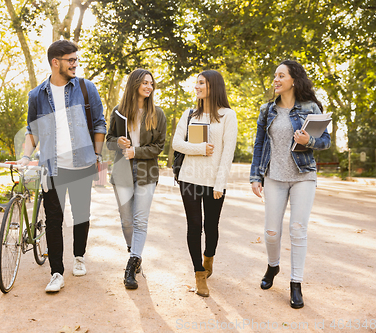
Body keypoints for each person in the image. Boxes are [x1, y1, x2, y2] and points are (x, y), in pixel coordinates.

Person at [18, 40, 106, 293]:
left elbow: (99, 124)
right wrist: (26, 156)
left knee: (81, 215)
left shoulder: (86, 88)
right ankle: (56, 272)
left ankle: (79, 255)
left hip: (82, 165)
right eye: (71, 60)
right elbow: (32, 131)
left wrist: (97, 156)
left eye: (76, 59)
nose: (75, 64)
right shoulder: (37, 95)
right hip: (52, 168)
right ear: (55, 62)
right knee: (54, 220)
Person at [249, 60, 331, 309]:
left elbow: (325, 141)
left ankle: (296, 284)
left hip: (303, 175)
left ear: (293, 80)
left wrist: (310, 141)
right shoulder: (267, 110)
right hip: (274, 176)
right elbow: (259, 144)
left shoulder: (311, 107)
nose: (275, 79)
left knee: (298, 229)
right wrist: (256, 176)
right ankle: (273, 266)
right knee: (271, 233)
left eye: (280, 75)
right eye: (275, 75)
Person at [172, 70, 237, 297]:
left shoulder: (228, 115)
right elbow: (176, 143)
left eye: (201, 83)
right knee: (194, 226)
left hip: (214, 182)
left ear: (213, 86)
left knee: (211, 226)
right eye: (196, 83)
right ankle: (199, 274)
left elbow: (227, 152)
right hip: (189, 178)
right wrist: (200, 149)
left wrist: (220, 183)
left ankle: (208, 257)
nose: (197, 87)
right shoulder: (189, 114)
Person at [106, 69, 166, 289]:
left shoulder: (158, 114)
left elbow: (159, 147)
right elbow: (109, 141)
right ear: (134, 84)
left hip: (147, 173)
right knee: (126, 220)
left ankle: (131, 265)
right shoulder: (119, 112)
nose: (149, 87)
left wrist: (136, 152)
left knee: (140, 220)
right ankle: (135, 253)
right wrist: (119, 142)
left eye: (151, 83)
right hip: (122, 172)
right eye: (145, 82)